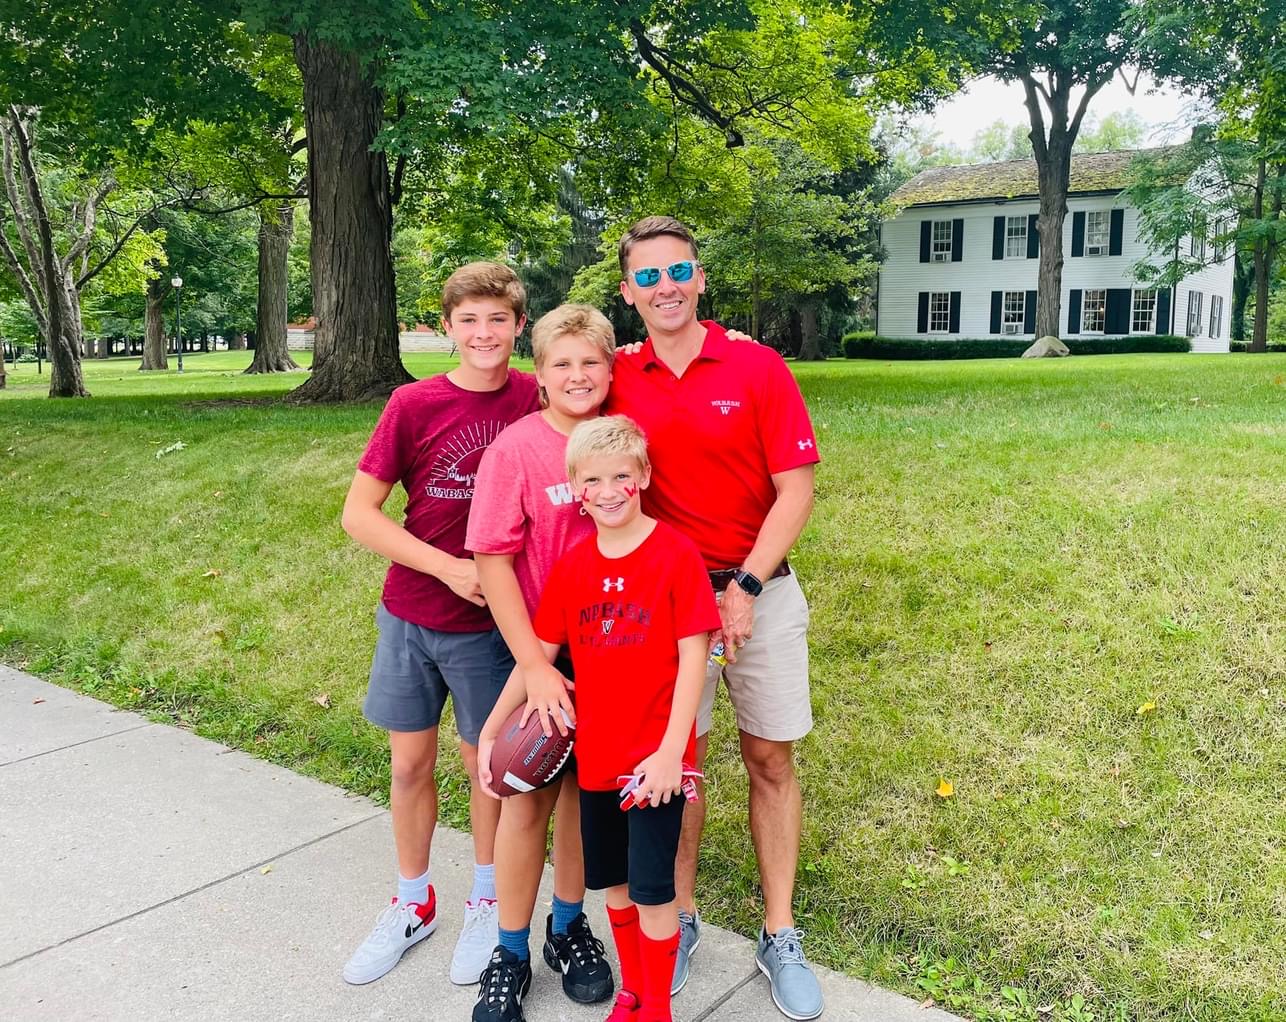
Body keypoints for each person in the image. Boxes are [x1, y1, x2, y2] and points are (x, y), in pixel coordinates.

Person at [605, 216, 823, 1020]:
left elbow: (795, 490)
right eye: (648, 278)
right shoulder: (617, 375)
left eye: (678, 272)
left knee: (769, 757)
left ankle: (780, 931)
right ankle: (681, 916)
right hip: (665, 604)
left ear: (701, 278)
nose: (665, 288)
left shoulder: (759, 367)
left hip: (759, 588)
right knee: (679, 766)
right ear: (628, 293)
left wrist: (748, 586)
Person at [480, 415, 720, 1022]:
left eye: (621, 476)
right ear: (576, 489)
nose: (609, 490)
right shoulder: (574, 566)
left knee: (654, 892)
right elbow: (541, 656)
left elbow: (695, 657)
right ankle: (633, 994)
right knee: (613, 886)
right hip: (598, 760)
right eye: (594, 479)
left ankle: (657, 1010)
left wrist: (673, 752)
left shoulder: (674, 554)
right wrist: (490, 729)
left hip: (654, 764)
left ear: (642, 476)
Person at [339, 262, 539, 988]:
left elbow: (609, 373)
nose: (483, 334)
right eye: (469, 320)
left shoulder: (537, 396)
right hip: (411, 615)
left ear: (520, 326)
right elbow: (358, 515)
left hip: (492, 629)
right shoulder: (413, 404)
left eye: (498, 320)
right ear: (447, 326)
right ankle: (414, 898)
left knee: (487, 770)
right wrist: (448, 568)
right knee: (407, 764)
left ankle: (487, 901)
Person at [464, 304, 619, 1021]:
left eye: (591, 362)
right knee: (525, 798)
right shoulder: (519, 449)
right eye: (562, 363)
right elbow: (492, 560)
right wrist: (530, 663)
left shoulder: (618, 444)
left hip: (614, 655)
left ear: (610, 370)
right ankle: (510, 950)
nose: (578, 375)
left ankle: (567, 927)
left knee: (586, 802)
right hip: (541, 654)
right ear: (540, 373)